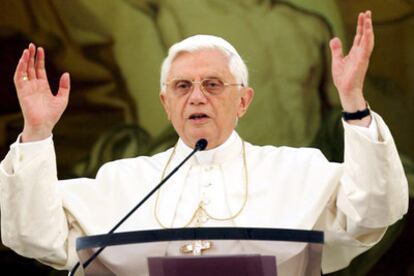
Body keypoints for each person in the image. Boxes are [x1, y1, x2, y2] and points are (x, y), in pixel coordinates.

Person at [0, 10, 408, 275]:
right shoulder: (122, 180)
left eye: (213, 84)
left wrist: (354, 102)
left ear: (243, 101)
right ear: (166, 103)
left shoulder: (297, 171)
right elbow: (35, 236)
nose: (196, 96)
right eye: (182, 86)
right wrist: (36, 133)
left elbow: (373, 213)